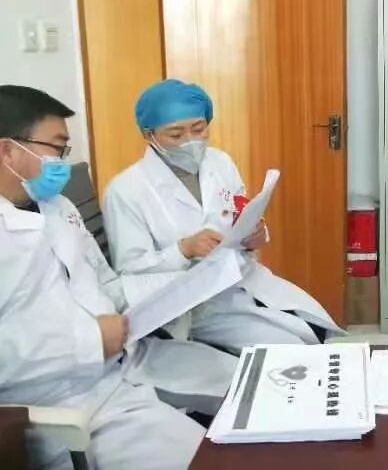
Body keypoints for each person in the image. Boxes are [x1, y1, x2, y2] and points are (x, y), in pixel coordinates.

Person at [0, 85, 236, 470]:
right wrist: (90, 340)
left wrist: (175, 289)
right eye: (57, 148)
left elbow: (106, 284)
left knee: (245, 386)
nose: (63, 163)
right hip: (68, 400)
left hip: (128, 357)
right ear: (7, 150)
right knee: (207, 459)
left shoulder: (57, 207)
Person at [103, 79, 343, 353]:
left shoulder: (220, 162)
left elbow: (240, 213)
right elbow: (130, 270)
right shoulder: (126, 190)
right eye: (176, 134)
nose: (190, 141)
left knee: (316, 328)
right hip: (193, 305)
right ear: (149, 135)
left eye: (198, 129)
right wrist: (183, 249)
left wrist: (255, 233)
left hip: (243, 279)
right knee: (292, 348)